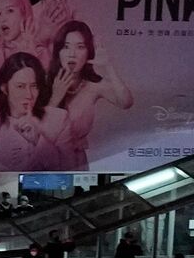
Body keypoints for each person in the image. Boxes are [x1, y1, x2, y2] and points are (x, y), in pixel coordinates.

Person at [44, 20, 133, 168]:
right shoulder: (42, 81)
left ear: (88, 53)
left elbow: (126, 102)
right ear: (58, 51)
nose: (72, 54)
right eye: (66, 47)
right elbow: (35, 134)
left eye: (80, 47)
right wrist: (55, 99)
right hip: (44, 164)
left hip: (76, 163)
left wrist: (108, 66)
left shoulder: (92, 85)